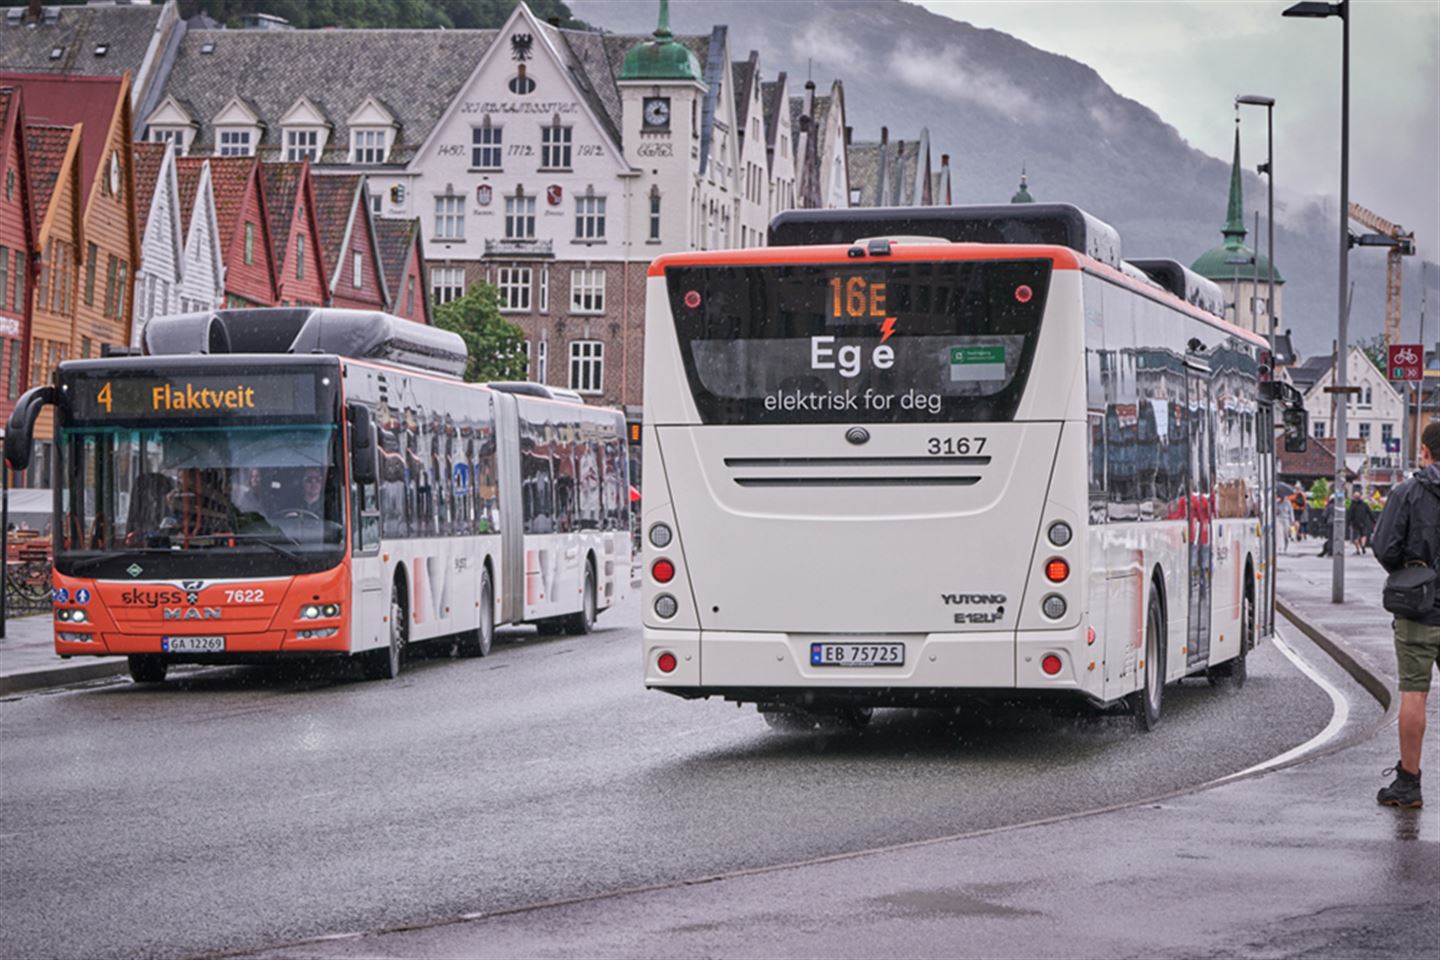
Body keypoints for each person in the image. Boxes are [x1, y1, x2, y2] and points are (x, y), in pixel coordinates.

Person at [1370, 421, 1440, 808]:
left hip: (1419, 610)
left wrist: (1412, 573)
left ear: (1426, 453)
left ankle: (1409, 783)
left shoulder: (1408, 492)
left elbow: (1384, 547)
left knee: (1414, 693)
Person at [1347, 486, 1374, 555]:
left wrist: (1348, 523)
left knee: (1355, 537)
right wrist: (1374, 521)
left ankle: (1358, 550)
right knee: (1364, 535)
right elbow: (1370, 513)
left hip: (1355, 523)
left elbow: (1350, 515)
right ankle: (1363, 545)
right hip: (1363, 522)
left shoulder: (1353, 505)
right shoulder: (1365, 504)